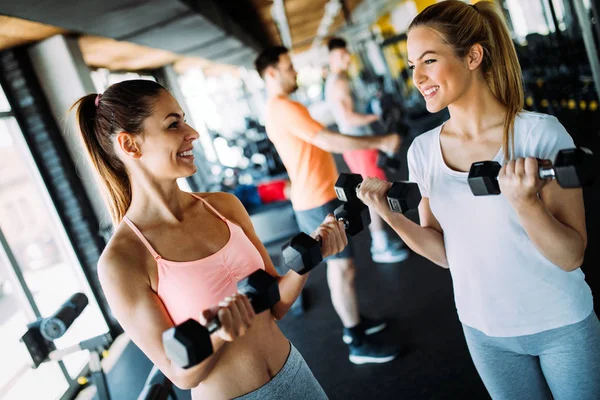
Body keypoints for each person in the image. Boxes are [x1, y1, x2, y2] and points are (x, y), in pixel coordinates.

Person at [356, 2, 600, 399]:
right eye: (412, 64)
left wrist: (527, 203)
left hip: (561, 324)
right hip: (484, 332)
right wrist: (387, 214)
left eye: (429, 60)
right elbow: (446, 251)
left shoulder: (540, 135)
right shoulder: (423, 152)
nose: (417, 77)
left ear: (473, 55)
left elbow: (571, 255)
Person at [70, 79, 349, 399]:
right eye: (173, 124)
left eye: (184, 119)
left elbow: (275, 307)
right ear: (131, 145)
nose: (193, 133)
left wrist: (311, 254)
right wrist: (219, 334)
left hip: (295, 374)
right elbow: (179, 375)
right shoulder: (123, 260)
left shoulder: (224, 206)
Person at [255, 47, 402, 364]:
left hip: (320, 194)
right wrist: (379, 141)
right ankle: (356, 341)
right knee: (342, 267)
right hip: (314, 200)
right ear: (270, 73)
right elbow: (328, 140)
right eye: (287, 66)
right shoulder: (282, 108)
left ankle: (357, 324)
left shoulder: (284, 107)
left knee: (345, 265)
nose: (293, 71)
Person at [325, 36, 410, 264]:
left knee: (374, 190)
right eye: (342, 55)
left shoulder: (339, 79)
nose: (347, 58)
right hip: (359, 146)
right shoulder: (339, 83)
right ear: (332, 57)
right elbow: (348, 117)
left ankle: (382, 240)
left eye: (347, 53)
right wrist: (377, 115)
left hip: (359, 145)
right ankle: (380, 245)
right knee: (374, 192)